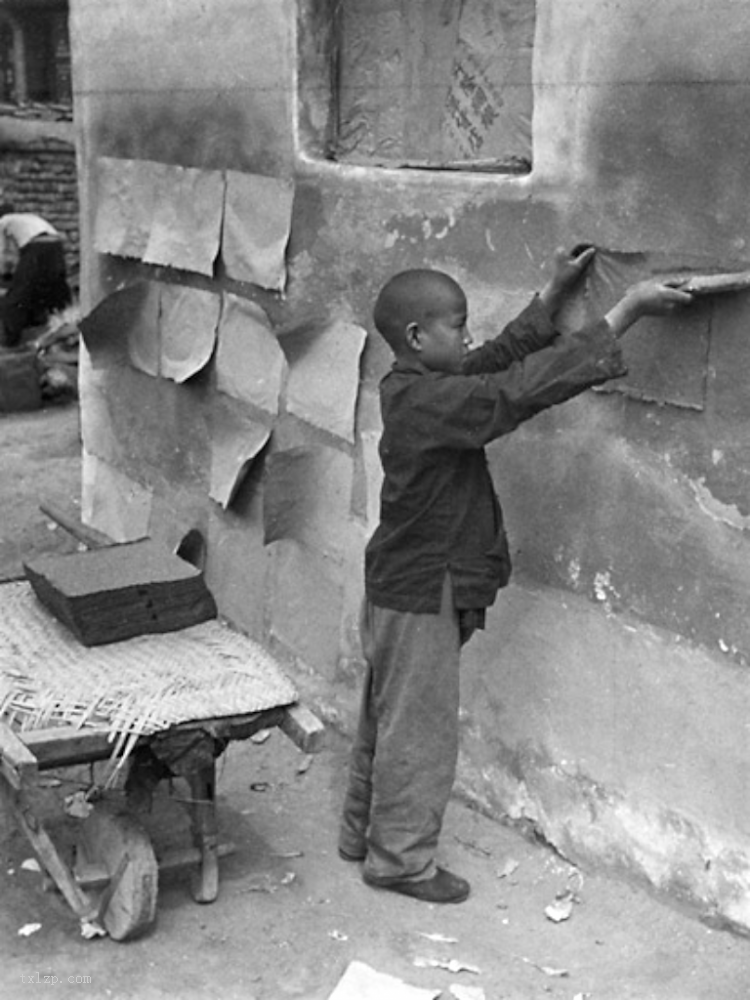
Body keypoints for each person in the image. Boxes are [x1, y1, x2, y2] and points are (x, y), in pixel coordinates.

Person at [337, 246, 694, 904]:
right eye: (458, 324)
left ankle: (364, 833)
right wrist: (625, 313)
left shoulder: (416, 386)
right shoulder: (429, 403)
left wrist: (553, 296)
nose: (468, 334)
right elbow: (512, 391)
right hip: (421, 587)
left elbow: (494, 363)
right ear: (418, 336)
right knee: (418, 728)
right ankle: (401, 862)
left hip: (398, 582)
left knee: (386, 712)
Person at [0, 203, 72, 349]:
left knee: (16, 297)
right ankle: (60, 327)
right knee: (50, 290)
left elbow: (3, 253)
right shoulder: (27, 218)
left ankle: (10, 342)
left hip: (38, 248)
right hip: (56, 247)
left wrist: (5, 277)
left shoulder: (3, 222)